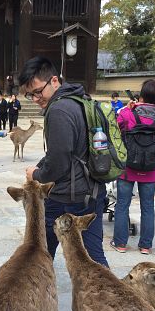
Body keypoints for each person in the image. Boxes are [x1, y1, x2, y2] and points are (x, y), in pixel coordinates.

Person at [21, 56, 109, 266]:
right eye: (29, 95)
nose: (35, 99)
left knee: (39, 253)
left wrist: (36, 174)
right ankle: (111, 297)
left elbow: (59, 162)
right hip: (92, 190)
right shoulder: (82, 100)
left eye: (37, 92)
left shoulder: (59, 110)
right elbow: (72, 150)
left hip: (67, 195)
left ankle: (36, 293)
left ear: (53, 81)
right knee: (94, 259)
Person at [112, 79, 155, 255]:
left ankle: (121, 243)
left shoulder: (129, 114)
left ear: (141, 95)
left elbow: (116, 124)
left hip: (128, 167)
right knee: (148, 206)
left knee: (122, 205)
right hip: (151, 169)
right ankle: (145, 245)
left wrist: (129, 108)